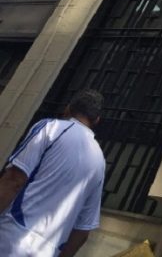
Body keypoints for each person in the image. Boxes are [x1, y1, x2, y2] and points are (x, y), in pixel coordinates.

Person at [0, 90, 106, 257]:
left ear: (67, 109)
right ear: (97, 120)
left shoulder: (51, 128)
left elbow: (14, 180)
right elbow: (83, 230)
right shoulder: (99, 161)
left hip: (11, 237)